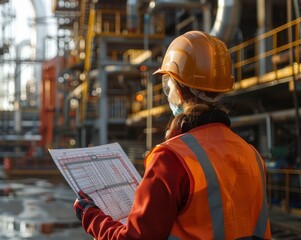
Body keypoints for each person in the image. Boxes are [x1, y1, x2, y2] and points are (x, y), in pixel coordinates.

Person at [73, 31, 271, 239]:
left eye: (168, 83)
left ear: (176, 88)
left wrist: (91, 216)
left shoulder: (171, 159)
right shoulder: (252, 155)